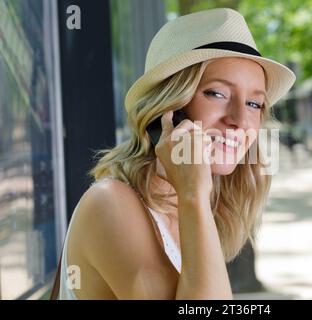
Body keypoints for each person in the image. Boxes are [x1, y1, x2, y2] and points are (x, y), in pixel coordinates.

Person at [53, 7, 295, 300]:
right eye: (217, 93)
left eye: (254, 104)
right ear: (169, 111)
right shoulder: (110, 203)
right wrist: (193, 194)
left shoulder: (186, 207)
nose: (240, 121)